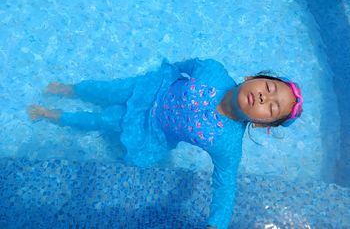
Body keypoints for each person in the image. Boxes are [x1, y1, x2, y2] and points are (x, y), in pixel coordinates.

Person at [27, 58, 303, 229]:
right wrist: (168, 72)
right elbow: (188, 65)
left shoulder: (227, 143)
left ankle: (54, 116)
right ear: (251, 78)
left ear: (260, 125)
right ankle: (72, 89)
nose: (265, 98)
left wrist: (216, 224)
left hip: (151, 127)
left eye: (272, 108)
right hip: (150, 89)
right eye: (268, 88)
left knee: (104, 120)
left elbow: (225, 184)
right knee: (107, 89)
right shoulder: (213, 71)